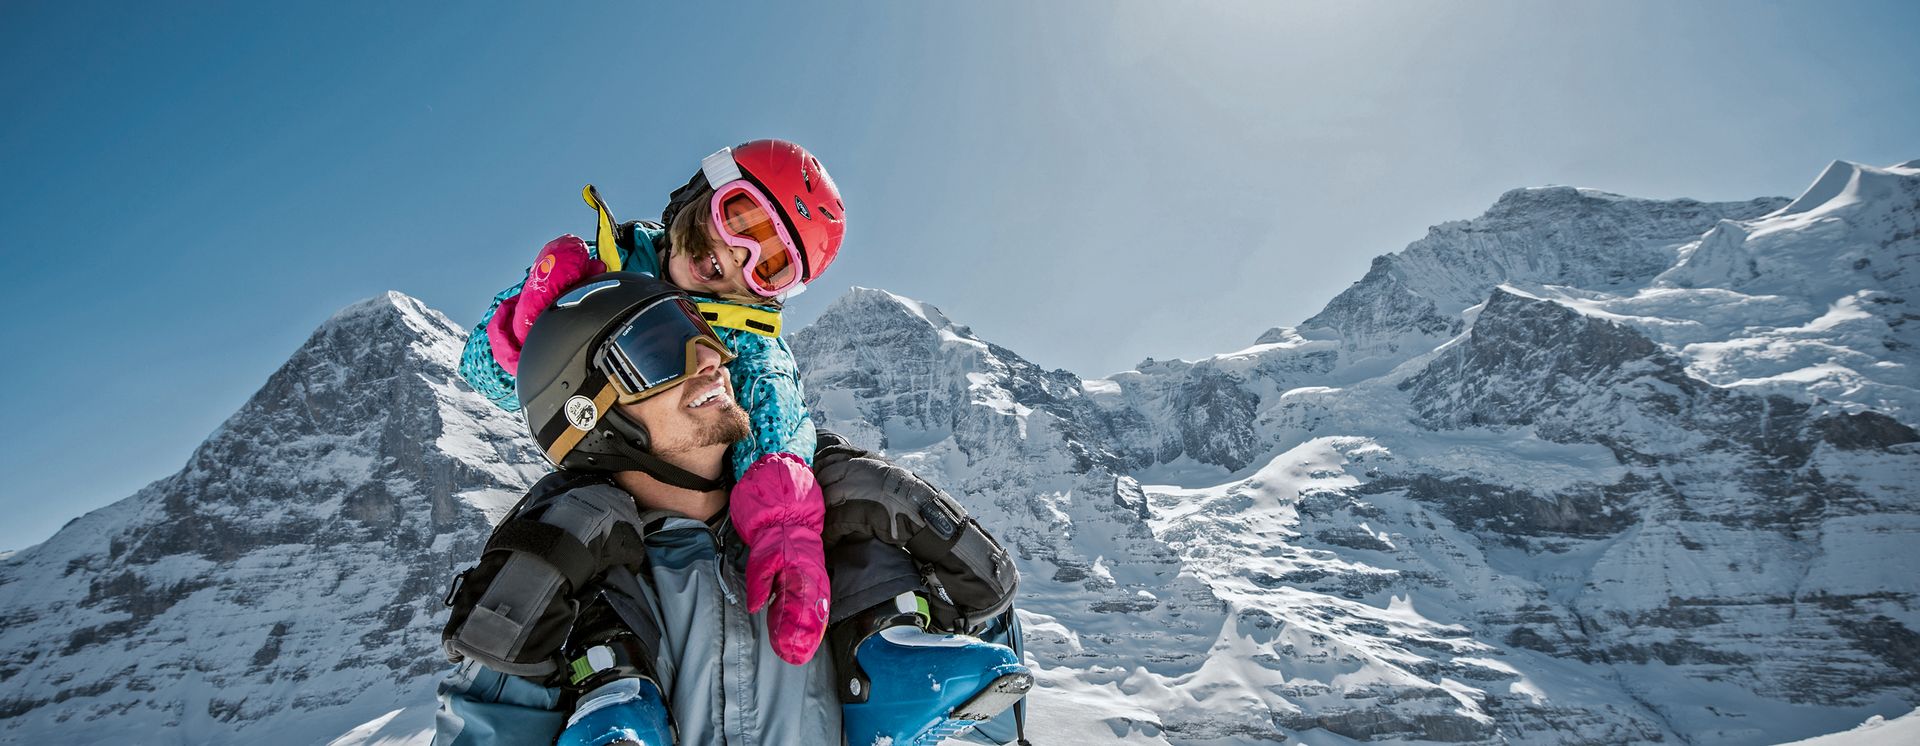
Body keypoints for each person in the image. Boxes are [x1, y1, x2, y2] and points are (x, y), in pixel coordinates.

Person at [453, 141, 1032, 744]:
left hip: (736, 512)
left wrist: (786, 518)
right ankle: (611, 689)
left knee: (845, 489)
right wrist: (521, 324)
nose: (737, 256)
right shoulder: (605, 269)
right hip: (613, 482)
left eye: (772, 264)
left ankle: (889, 649)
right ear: (700, 197)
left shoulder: (743, 332)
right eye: (741, 219)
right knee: (584, 544)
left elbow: (777, 414)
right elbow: (515, 378)